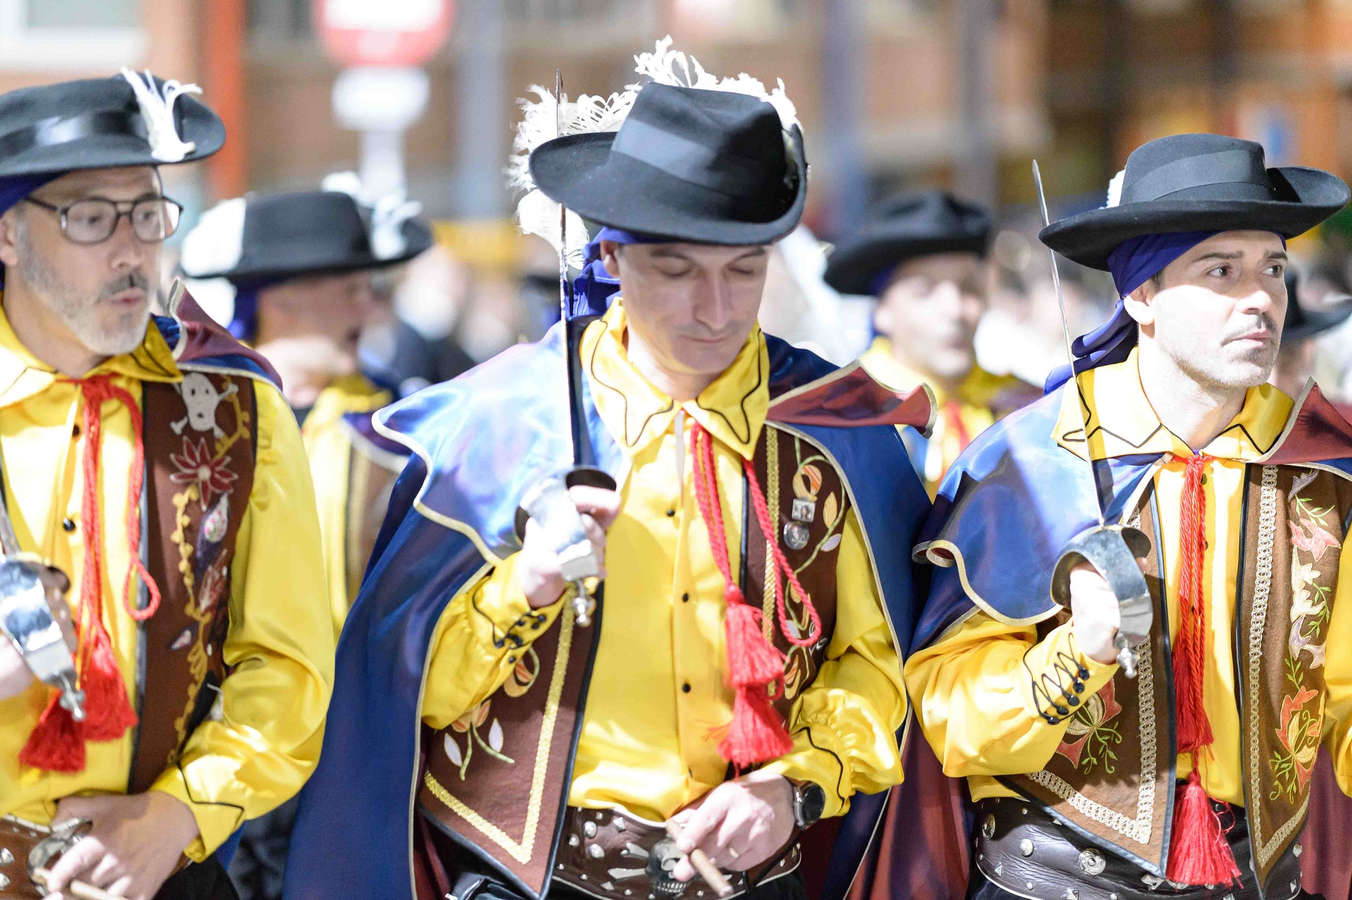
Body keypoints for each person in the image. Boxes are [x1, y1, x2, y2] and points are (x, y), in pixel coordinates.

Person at [285, 42, 932, 900]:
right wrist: (525, 588)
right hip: (534, 879)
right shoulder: (499, 425)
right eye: (676, 270)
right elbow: (404, 693)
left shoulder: (835, 428)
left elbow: (878, 662)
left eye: (744, 271)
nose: (715, 309)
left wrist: (796, 785)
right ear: (613, 260)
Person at [907, 132, 1352, 899]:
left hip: (1259, 877)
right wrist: (1075, 655)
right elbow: (947, 712)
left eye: (1274, 269)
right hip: (1054, 879)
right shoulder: (1030, 464)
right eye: (1221, 270)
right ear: (1141, 295)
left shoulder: (1325, 465)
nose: (1260, 298)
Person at [0, 72, 332, 899]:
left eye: (147, 214)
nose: (130, 250)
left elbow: (288, 671)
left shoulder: (234, 404)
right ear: (7, 232)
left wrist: (180, 813)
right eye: (90, 217)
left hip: (160, 876)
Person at [181, 188, 431, 633]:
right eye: (351, 290)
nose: (368, 307)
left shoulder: (396, 429)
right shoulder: (199, 416)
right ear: (282, 299)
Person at [824, 191, 1038, 495]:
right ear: (882, 310)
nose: (955, 310)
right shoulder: (845, 422)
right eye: (924, 291)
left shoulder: (1029, 410)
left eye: (969, 287)